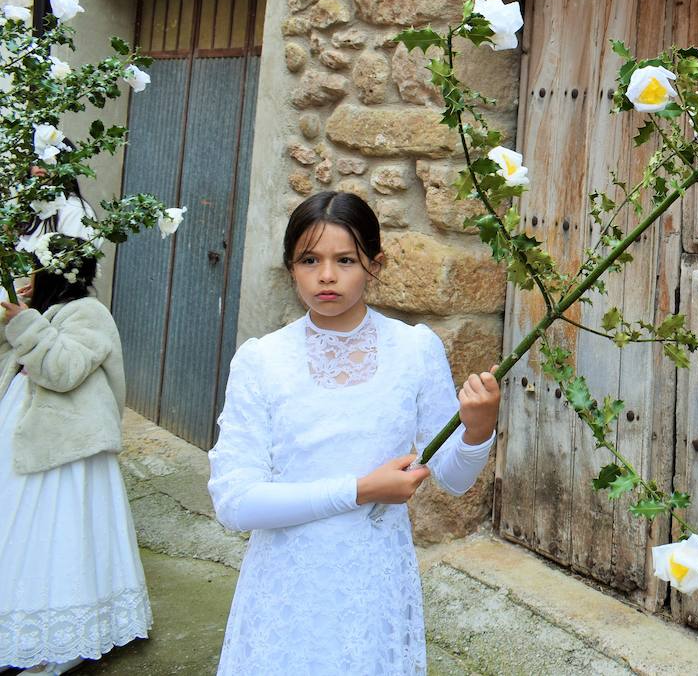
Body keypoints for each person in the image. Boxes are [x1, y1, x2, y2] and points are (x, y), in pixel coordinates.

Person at [207, 190, 500, 675]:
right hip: (286, 583)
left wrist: (478, 431)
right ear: (290, 268)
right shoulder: (263, 360)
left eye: (345, 259)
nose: (326, 275)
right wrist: (361, 490)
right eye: (309, 259)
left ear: (374, 264)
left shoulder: (413, 349)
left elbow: (451, 477)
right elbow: (235, 503)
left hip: (373, 583)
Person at [0, 180, 152, 675]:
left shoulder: (88, 313)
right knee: (19, 537)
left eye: (32, 269)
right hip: (24, 436)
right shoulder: (35, 312)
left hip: (66, 447)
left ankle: (63, 640)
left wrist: (25, 324)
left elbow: (62, 371)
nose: (23, 278)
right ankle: (21, 629)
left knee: (59, 538)